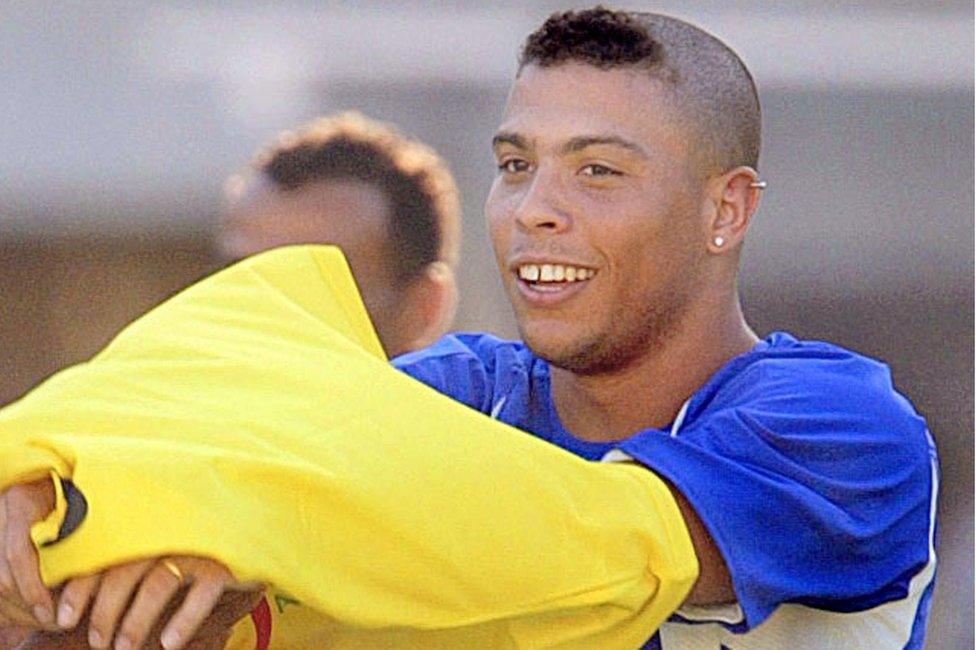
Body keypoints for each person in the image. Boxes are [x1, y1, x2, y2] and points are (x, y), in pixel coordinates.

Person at [0, 7, 936, 649]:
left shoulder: (843, 428)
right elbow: (236, 430)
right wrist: (50, 491)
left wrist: (257, 529)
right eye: (516, 163)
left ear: (724, 210)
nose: (535, 208)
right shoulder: (462, 391)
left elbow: (597, 544)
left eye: (598, 171)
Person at [0, 111, 462, 649]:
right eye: (239, 280)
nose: (260, 311)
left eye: (318, 284)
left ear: (426, 309)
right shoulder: (86, 464)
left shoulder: (483, 507)